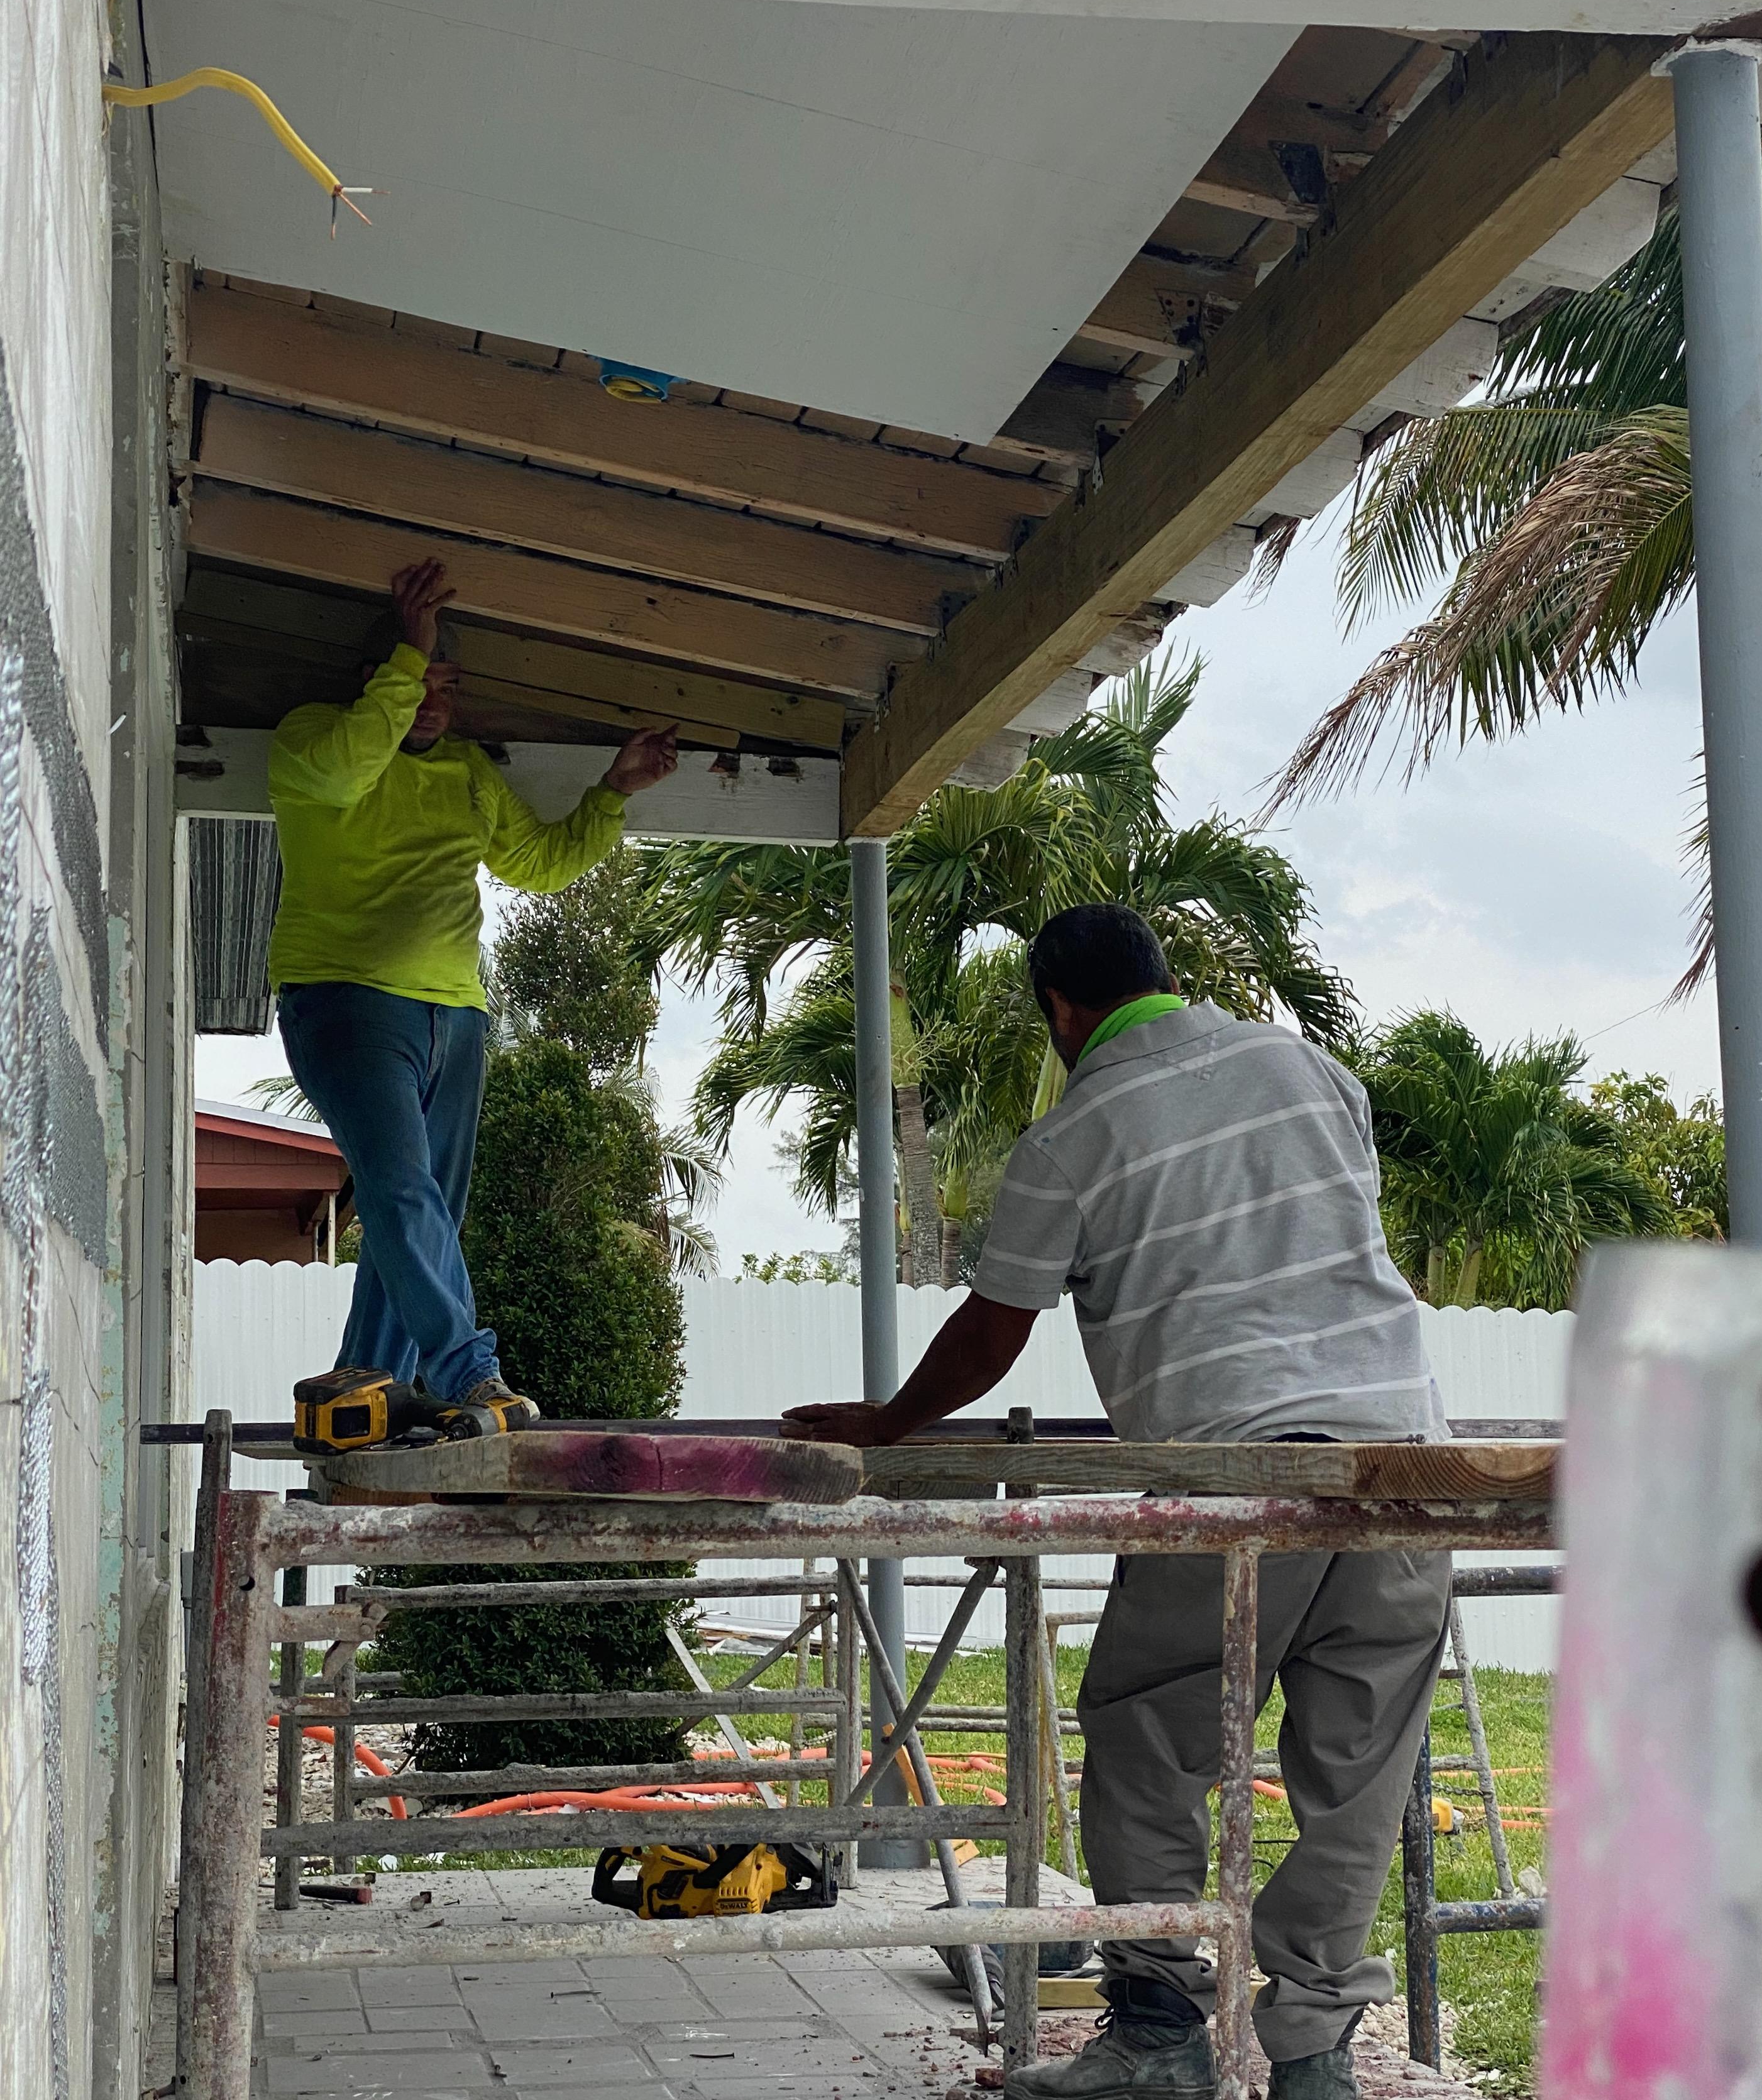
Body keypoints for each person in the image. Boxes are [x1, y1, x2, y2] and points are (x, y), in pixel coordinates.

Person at [784, 903, 1450, 2100]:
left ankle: (1156, 2032)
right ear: (1167, 978)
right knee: (1357, 1773)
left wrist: (886, 1423)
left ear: (1058, 1011)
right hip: (1405, 1470)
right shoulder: (1311, 1069)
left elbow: (995, 1328)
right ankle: (1312, 2056)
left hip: (1236, 1478)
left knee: (1149, 1736)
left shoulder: (1071, 1134)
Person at [271, 559, 678, 1423]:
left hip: (455, 1016)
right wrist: (407, 655)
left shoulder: (467, 772)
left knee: (417, 1211)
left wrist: (612, 791)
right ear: (376, 680)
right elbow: (348, 770)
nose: (431, 697)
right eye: (415, 679)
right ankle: (463, 1372)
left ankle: (363, 1395)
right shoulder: (312, 739)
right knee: (400, 1189)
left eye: (443, 683)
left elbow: (539, 862)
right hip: (346, 1000)